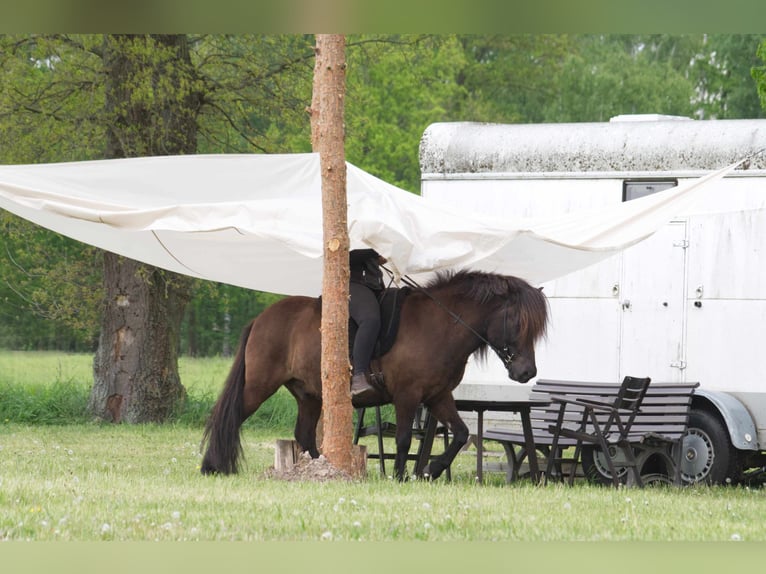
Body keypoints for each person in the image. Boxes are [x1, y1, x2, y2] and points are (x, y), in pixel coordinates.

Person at [348, 248, 387, 399]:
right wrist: (375, 250)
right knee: (370, 319)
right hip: (352, 283)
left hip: (373, 286)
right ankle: (358, 377)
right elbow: (345, 254)